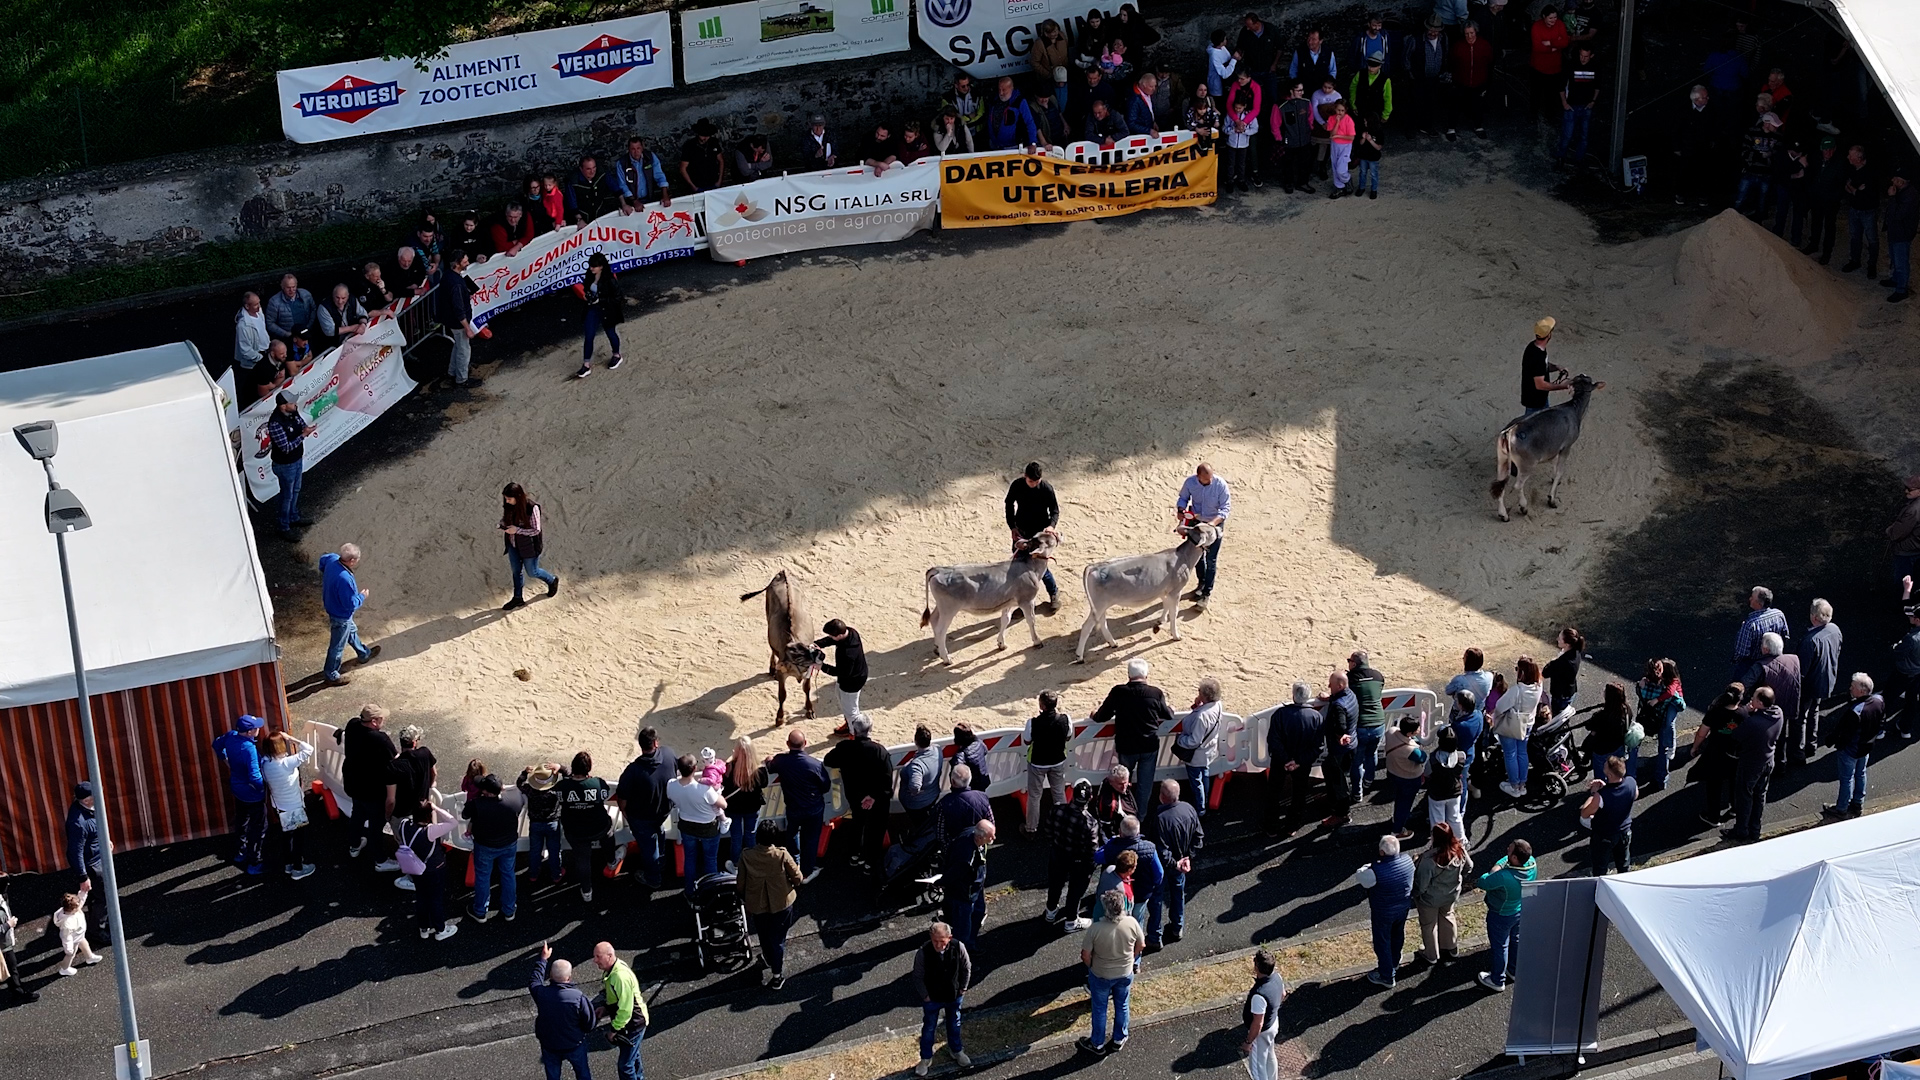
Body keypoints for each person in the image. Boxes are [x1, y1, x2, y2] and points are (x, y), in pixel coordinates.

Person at [1078, 889, 1145, 1056]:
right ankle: (1119, 1038)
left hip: (1101, 974)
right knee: (1122, 1004)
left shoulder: (1096, 929)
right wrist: (1132, 958)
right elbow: (1141, 945)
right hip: (1124, 972)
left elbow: (1085, 954)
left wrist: (1091, 966)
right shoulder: (1131, 923)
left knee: (1100, 1009)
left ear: (1105, 908)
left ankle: (1097, 1043)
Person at [822, 714, 892, 872]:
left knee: (857, 824)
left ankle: (854, 855)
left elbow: (828, 760)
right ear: (870, 730)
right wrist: (873, 797)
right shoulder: (880, 751)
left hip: (855, 797)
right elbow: (887, 781)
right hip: (876, 800)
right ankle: (869, 862)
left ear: (853, 730)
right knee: (875, 829)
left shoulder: (845, 748)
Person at [737, 819, 802, 989]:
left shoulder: (747, 855)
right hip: (781, 902)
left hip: (757, 903)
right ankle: (777, 975)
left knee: (763, 934)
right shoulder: (781, 854)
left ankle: (767, 957)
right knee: (778, 939)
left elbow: (741, 883)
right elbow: (798, 878)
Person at [1093, 658, 1173, 794]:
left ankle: (1124, 811)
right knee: (1145, 786)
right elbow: (1168, 715)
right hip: (1149, 746)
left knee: (1122, 783)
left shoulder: (1118, 692)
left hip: (1126, 746)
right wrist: (1170, 709)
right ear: (1146, 675)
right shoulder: (1155, 693)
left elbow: (1102, 716)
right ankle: (1141, 815)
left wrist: (1094, 715)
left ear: (1129, 675)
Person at [335, 704, 397, 873]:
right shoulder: (380, 739)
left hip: (353, 784)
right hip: (372, 790)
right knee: (376, 826)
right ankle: (380, 860)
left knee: (357, 815)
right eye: (381, 718)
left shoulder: (353, 724)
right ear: (375, 722)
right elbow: (395, 759)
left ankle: (354, 845)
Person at [614, 727, 676, 893]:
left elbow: (622, 798)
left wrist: (625, 811)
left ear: (640, 745)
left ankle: (653, 878)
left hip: (642, 818)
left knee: (649, 848)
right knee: (659, 830)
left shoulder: (632, 771)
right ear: (656, 743)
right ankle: (661, 860)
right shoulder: (669, 754)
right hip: (663, 811)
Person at [768, 729, 831, 882]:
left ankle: (794, 866)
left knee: (792, 836)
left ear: (788, 744)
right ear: (805, 744)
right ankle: (807, 871)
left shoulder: (781, 761)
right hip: (813, 807)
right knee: (811, 839)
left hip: (794, 808)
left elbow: (770, 766)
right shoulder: (815, 764)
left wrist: (769, 759)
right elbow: (826, 787)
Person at [1145, 780, 1201, 948]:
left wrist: (1174, 863)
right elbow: (1198, 838)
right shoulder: (1189, 809)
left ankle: (1155, 936)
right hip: (1181, 863)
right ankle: (1177, 927)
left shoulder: (1160, 819)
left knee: (1156, 899)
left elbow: (1161, 849)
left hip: (1162, 867)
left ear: (1161, 796)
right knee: (1178, 894)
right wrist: (1188, 857)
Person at [1474, 839, 1536, 991]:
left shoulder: (1504, 876)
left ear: (1515, 858)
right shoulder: (1531, 863)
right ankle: (1513, 970)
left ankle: (1497, 980)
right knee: (1515, 939)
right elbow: (1506, 860)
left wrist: (1495, 868)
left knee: (1500, 946)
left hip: (1500, 914)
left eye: (1510, 849)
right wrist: (1504, 862)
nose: (1507, 848)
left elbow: (1482, 882)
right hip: (1519, 909)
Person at [912, 922, 973, 1075]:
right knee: (928, 1029)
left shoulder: (958, 947)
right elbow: (917, 976)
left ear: (949, 937)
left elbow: (966, 968)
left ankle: (956, 1050)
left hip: (953, 996)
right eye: (935, 941)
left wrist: (963, 988)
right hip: (932, 998)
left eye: (942, 941)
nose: (938, 945)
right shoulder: (923, 952)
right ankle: (926, 1058)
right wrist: (925, 996)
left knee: (954, 1025)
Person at [1725, 686, 1783, 843]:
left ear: (1760, 702)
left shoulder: (1753, 722)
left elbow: (1735, 735)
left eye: (1754, 697)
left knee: (1744, 796)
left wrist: (1746, 711)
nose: (1751, 698)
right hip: (1768, 760)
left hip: (1751, 764)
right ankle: (1755, 829)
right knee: (1760, 795)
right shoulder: (1778, 712)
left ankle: (1741, 829)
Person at [1822, 673, 1884, 819]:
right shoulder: (1879, 700)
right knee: (1861, 773)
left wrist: (1836, 744)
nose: (1850, 688)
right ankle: (1858, 804)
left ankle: (1841, 808)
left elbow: (1844, 734)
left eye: (1853, 686)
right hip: (1866, 747)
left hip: (1851, 750)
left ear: (1862, 691)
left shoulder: (1855, 711)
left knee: (1846, 778)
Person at [1356, 833, 1414, 988]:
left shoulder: (1375, 871)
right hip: (1403, 907)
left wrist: (1369, 865)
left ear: (1382, 852)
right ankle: (1394, 961)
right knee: (1398, 934)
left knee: (1382, 942)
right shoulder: (1408, 861)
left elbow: (1360, 877)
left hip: (1383, 912)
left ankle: (1386, 975)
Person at [211, 714, 267, 875]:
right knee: (259, 828)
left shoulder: (231, 736)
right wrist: (262, 790)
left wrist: (225, 759)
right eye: (256, 727)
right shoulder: (249, 749)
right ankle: (254, 862)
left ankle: (240, 853)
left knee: (242, 820)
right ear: (249, 732)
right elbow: (255, 776)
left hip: (237, 789)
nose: (258, 729)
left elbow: (216, 744)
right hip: (252, 795)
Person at [531, 943, 596, 1080]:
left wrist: (543, 959)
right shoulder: (578, 997)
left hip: (550, 1045)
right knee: (583, 1074)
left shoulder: (542, 994)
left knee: (553, 1076)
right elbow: (589, 1022)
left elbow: (535, 980)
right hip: (574, 1044)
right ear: (569, 977)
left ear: (550, 975)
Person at [557, 752, 615, 902]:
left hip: (576, 832)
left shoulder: (563, 787)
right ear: (589, 768)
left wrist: (562, 770)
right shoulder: (598, 783)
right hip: (599, 827)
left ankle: (587, 890)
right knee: (608, 833)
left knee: (583, 860)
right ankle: (611, 860)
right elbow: (605, 794)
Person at [1266, 681, 1324, 833]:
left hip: (1281, 761)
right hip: (1302, 763)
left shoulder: (1281, 714)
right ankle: (1292, 825)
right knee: (1299, 793)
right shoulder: (1316, 717)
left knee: (1274, 792)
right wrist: (1298, 761)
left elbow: (1273, 740)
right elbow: (1318, 746)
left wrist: (1286, 760)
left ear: (1293, 696)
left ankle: (1271, 826)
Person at [1412, 822, 1470, 968]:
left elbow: (1421, 885)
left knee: (1429, 925)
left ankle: (1431, 955)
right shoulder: (1459, 850)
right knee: (1448, 916)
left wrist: (1416, 896)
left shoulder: (1428, 860)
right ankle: (1451, 947)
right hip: (1451, 894)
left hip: (1430, 899)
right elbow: (1470, 866)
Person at [463, 774, 520, 922]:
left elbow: (465, 814)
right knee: (508, 874)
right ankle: (509, 910)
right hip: (509, 844)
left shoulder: (477, 804)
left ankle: (480, 911)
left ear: (486, 792)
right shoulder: (514, 799)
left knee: (483, 876)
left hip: (485, 846)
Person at [1004, 462, 1061, 610]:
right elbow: (1009, 505)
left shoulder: (1046, 488)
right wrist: (1012, 526)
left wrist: (1051, 526)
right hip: (1021, 531)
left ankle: (1054, 593)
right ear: (1025, 477)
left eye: (1037, 481)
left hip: (1039, 536)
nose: (1034, 484)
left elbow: (1054, 510)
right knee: (1019, 567)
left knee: (1041, 568)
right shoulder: (1017, 485)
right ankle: (1025, 602)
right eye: (1031, 481)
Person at [496, 482, 562, 610]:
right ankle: (518, 598)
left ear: (518, 496)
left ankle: (552, 580)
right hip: (513, 544)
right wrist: (503, 524)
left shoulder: (532, 508)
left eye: (509, 498)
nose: (507, 501)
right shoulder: (509, 505)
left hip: (529, 547)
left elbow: (536, 530)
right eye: (506, 498)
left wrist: (517, 530)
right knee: (516, 571)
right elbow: (506, 518)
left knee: (533, 571)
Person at [1045, 779, 1100, 931]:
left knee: (1055, 884)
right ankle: (1071, 921)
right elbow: (1092, 849)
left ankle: (1050, 911)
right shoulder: (1090, 822)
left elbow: (1048, 831)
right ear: (1090, 798)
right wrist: (1091, 866)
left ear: (1073, 795)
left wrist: (1055, 845)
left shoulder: (1057, 809)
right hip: (1078, 861)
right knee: (1075, 891)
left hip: (1058, 853)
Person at [1174, 462, 1232, 606]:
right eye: (1207, 478)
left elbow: (1225, 509)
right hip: (1196, 522)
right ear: (1198, 476)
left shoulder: (1220, 485)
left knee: (1211, 559)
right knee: (1197, 557)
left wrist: (1211, 524)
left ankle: (1206, 594)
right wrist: (1181, 510)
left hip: (1213, 524)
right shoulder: (1190, 482)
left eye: (1211, 477)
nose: (1210, 480)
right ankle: (1201, 584)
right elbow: (1183, 498)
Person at [319, 545, 377, 686]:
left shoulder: (332, 559)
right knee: (337, 647)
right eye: (356, 559)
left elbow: (322, 561)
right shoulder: (345, 579)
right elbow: (350, 604)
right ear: (351, 560)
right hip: (341, 616)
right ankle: (331, 675)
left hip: (336, 609)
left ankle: (364, 653)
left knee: (351, 631)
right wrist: (362, 596)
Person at [589, 942, 647, 1080]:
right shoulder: (614, 969)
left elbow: (626, 1010)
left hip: (633, 1024)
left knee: (625, 1066)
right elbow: (617, 999)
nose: (595, 960)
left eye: (598, 956)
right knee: (633, 1056)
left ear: (609, 956)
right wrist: (606, 1009)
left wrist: (613, 1030)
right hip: (632, 1022)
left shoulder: (620, 977)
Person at [1745, 633, 1803, 767]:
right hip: (1789, 703)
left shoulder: (1760, 666)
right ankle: (1790, 759)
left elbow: (1745, 684)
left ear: (1766, 649)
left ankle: (1776, 765)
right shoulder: (1794, 659)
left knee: (1772, 739)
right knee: (1786, 733)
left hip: (1768, 709)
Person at [265, 392, 316, 541]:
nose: (295, 405)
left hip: (297, 459)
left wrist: (305, 430)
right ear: (283, 406)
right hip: (285, 465)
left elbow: (302, 425)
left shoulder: (293, 413)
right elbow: (286, 448)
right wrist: (303, 435)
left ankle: (293, 517)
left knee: (296, 490)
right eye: (292, 403)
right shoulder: (275, 423)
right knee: (287, 496)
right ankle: (283, 526)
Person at [1494, 656, 1544, 797]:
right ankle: (1522, 783)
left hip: (1512, 724)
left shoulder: (1517, 690)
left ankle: (1514, 785)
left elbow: (1499, 706)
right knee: (1522, 752)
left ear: (1521, 673)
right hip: (1528, 723)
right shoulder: (1539, 685)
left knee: (1510, 754)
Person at [1173, 680, 1223, 815]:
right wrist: (1197, 706)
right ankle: (1205, 800)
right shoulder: (1217, 705)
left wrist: (1180, 739)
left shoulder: (1201, 716)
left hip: (1197, 754)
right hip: (1209, 750)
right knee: (1204, 774)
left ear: (1205, 696)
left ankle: (1200, 809)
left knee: (1196, 781)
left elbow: (1194, 741)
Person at [1025, 691, 1073, 834]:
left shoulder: (1033, 722)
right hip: (1058, 761)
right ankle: (1063, 826)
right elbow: (1068, 737)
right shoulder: (1066, 719)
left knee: (1034, 796)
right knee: (1059, 793)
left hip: (1037, 763)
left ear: (1041, 705)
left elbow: (1027, 741)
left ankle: (1031, 829)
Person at [942, 819, 993, 950]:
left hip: (977, 888)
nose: (994, 838)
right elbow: (954, 874)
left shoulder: (971, 834)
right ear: (980, 837)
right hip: (965, 895)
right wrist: (940, 882)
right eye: (990, 836)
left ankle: (971, 942)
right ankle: (961, 955)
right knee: (963, 929)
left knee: (978, 913)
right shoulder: (966, 856)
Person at [435, 249, 483, 390]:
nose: (467, 263)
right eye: (465, 261)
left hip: (451, 319)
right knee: (463, 349)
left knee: (458, 346)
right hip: (458, 322)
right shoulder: (456, 283)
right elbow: (458, 309)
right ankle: (462, 379)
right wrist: (467, 328)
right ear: (457, 264)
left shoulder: (448, 276)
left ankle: (452, 372)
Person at [1798, 599, 1843, 751]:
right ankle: (1812, 744)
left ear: (1814, 617)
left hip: (1810, 684)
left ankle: (1799, 750)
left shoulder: (1809, 641)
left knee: (1801, 716)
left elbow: (1802, 671)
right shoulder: (1835, 629)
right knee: (1814, 710)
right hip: (1826, 679)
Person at [570, 252, 623, 379]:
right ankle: (586, 364)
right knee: (589, 336)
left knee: (610, 333)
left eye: (594, 266)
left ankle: (616, 354)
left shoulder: (610, 280)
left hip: (606, 310)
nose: (591, 268)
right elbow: (587, 288)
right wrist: (589, 296)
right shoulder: (590, 275)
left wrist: (601, 300)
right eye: (591, 266)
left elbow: (618, 298)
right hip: (593, 308)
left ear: (601, 266)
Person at [63, 782, 105, 941]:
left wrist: (104, 840)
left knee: (100, 898)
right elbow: (74, 851)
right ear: (86, 800)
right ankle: (98, 931)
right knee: (101, 898)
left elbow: (94, 830)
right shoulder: (78, 823)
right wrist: (83, 877)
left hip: (97, 858)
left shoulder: (88, 809)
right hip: (93, 865)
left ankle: (99, 925)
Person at [1636, 659, 1686, 789]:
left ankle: (1630, 775)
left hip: (1647, 720)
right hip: (1661, 719)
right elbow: (1680, 704)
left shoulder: (1644, 686)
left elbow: (1639, 691)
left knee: (1634, 745)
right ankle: (1661, 779)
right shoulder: (1669, 689)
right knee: (1663, 747)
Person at [1582, 756, 1636, 875]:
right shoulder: (1631, 782)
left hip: (1605, 835)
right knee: (1624, 865)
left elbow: (1585, 812)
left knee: (1600, 868)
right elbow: (1635, 795)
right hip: (1624, 830)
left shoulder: (1601, 796)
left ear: (1610, 775)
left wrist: (1593, 793)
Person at [720, 739, 768, 870]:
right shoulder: (760, 771)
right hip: (752, 808)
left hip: (733, 809)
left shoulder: (729, 768)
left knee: (736, 837)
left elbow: (724, 784)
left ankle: (736, 864)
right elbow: (764, 784)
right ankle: (752, 862)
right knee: (750, 835)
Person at [1347, 650, 1388, 796]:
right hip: (1378, 724)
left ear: (1354, 663)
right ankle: (1369, 780)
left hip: (1361, 725)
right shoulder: (1378, 676)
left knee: (1357, 760)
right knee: (1372, 753)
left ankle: (1357, 792)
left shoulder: (1350, 678)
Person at [1321, 671, 1359, 826]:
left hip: (1341, 750)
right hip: (1350, 746)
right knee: (1329, 770)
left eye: (1332, 684)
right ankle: (1332, 798)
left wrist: (1339, 735)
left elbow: (1341, 726)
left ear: (1341, 685)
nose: (1329, 686)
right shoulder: (1350, 695)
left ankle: (1342, 814)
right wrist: (1330, 698)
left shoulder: (1338, 705)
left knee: (1339, 783)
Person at [518, 763, 565, 884]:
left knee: (534, 850)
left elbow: (520, 784)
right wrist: (560, 768)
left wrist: (524, 773)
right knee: (554, 850)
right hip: (553, 823)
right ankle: (556, 874)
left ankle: (533, 874)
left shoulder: (530, 790)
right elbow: (569, 777)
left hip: (535, 824)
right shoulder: (556, 789)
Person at [817, 619, 868, 728]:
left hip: (852, 682)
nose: (830, 637)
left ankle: (854, 733)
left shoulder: (849, 653)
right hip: (850, 677)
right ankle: (849, 724)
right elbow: (832, 640)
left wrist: (822, 667)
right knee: (843, 700)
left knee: (852, 711)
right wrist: (817, 644)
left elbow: (842, 672)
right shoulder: (850, 631)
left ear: (839, 635)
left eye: (832, 635)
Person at [1672, 86, 1718, 207]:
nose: (1707, 99)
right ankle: (1681, 194)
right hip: (1687, 148)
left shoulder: (1711, 110)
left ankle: (1702, 196)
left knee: (1703, 173)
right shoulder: (1683, 110)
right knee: (1684, 172)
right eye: (1704, 97)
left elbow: (1715, 126)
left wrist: (1713, 140)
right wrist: (1676, 147)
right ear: (1696, 99)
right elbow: (1676, 129)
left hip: (1703, 148)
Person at [1383, 716, 1427, 839]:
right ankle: (1397, 831)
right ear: (1409, 733)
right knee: (1405, 804)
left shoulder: (1391, 732)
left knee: (1399, 798)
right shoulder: (1411, 750)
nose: (1419, 730)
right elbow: (1422, 758)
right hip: (1409, 779)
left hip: (1392, 773)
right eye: (1417, 729)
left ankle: (1397, 818)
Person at [1449, 20, 1493, 139]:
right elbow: (1452, 63)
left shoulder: (1484, 45)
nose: (1469, 36)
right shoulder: (1458, 46)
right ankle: (1451, 128)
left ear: (1476, 32)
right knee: (1455, 105)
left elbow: (1489, 64)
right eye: (1466, 33)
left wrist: (1486, 83)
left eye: (1471, 33)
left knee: (1477, 105)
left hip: (1479, 82)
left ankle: (1478, 126)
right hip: (1460, 82)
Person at [898, 725, 942, 839]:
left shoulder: (916, 765)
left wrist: (913, 792)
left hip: (916, 804)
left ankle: (922, 838)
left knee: (920, 824)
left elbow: (915, 786)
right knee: (926, 819)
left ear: (916, 741)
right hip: (933, 795)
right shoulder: (937, 749)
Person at [1733, 586, 1789, 675]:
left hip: (1753, 665)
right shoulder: (1779, 615)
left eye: (1752, 597)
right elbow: (1785, 636)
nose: (1750, 598)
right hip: (1774, 661)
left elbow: (1741, 653)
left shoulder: (1750, 624)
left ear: (1759, 604)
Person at [1521, 316, 1571, 416]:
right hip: (1535, 402)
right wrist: (1563, 386)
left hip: (1539, 398)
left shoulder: (1533, 347)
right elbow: (1540, 385)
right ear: (1549, 335)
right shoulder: (1537, 356)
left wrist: (1556, 367)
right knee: (1532, 428)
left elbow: (1541, 367)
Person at [1840, 144, 1877, 277]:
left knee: (1871, 239)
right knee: (1855, 237)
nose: (1848, 158)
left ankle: (1872, 265)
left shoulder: (1870, 172)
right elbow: (1848, 188)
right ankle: (1854, 261)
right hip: (1854, 209)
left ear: (1859, 158)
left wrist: (1853, 189)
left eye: (1851, 156)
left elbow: (1865, 194)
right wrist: (1855, 190)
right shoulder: (1852, 170)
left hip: (1868, 211)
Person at [1558, 46, 1598, 164]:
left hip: (1586, 107)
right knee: (1567, 135)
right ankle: (1561, 157)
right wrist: (1564, 102)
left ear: (1591, 56)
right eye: (1581, 56)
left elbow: (1597, 86)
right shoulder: (1571, 65)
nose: (1583, 59)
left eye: (1586, 56)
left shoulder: (1595, 67)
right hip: (1572, 106)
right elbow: (1561, 85)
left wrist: (1593, 102)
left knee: (1584, 136)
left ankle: (1579, 160)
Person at [1273, 80, 1315, 194]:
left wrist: (1310, 129)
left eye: (1302, 90)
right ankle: (1288, 183)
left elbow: (1310, 117)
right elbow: (1275, 124)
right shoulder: (1280, 105)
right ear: (1291, 91)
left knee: (1305, 162)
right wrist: (1279, 138)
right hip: (1289, 140)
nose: (1302, 92)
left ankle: (1303, 183)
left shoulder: (1306, 102)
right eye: (1299, 90)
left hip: (1304, 139)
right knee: (1288, 164)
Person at [1527, 7, 1571, 117]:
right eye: (1550, 18)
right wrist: (1555, 46)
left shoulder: (1560, 24)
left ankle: (1550, 115)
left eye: (1555, 17)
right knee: (1536, 93)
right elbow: (1537, 47)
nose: (1553, 20)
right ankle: (1533, 114)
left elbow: (1565, 42)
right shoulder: (1536, 26)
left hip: (1555, 67)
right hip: (1538, 67)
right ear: (1544, 17)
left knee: (1551, 94)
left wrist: (1549, 43)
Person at [0, 873, 36, 1002]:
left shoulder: (3, 897)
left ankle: (17, 991)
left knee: (11, 967)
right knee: (12, 967)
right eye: (5, 884)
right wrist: (8, 925)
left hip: (5, 941)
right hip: (2, 945)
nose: (8, 886)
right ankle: (18, 993)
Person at [613, 137, 672, 214]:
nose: (636, 152)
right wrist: (634, 201)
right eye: (633, 149)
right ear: (628, 149)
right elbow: (622, 185)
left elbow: (660, 176)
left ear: (642, 147)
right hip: (631, 203)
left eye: (638, 148)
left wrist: (665, 194)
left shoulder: (650, 157)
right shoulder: (622, 163)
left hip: (650, 198)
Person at [52, 886, 101, 977]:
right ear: (72, 909)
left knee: (84, 943)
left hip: (79, 934)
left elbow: (81, 900)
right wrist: (68, 949)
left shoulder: (72, 910)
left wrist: (84, 892)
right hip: (74, 939)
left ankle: (89, 957)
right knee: (71, 955)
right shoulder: (67, 924)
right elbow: (66, 937)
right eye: (77, 906)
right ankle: (64, 968)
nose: (80, 906)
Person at [1883, 167, 1916, 303]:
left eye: (1896, 179)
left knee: (1901, 261)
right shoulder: (1902, 191)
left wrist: (1892, 198)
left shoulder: (1910, 196)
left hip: (1902, 233)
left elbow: (1898, 214)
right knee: (1895, 258)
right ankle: (1896, 279)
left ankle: (1901, 290)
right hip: (1895, 231)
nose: (1892, 181)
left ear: (1902, 182)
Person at [1583, 681, 1631, 764]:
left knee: (1600, 773)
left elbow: (1589, 726)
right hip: (1618, 747)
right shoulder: (1627, 710)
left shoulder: (1602, 716)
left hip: (1602, 750)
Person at [986, 76, 1040, 149]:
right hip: (995, 145)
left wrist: (1032, 143)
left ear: (1011, 88)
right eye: (999, 90)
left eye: (1004, 90)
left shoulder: (1020, 102)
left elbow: (1029, 122)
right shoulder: (994, 100)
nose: (1001, 93)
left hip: (1013, 146)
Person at [564, 154, 618, 224]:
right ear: (581, 169)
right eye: (588, 169)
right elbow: (572, 203)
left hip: (601, 213)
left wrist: (624, 204)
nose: (592, 171)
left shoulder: (602, 173)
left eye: (594, 167)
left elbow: (615, 187)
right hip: (583, 217)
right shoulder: (573, 181)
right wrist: (579, 219)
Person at [1222, 90, 1258, 193]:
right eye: (1236, 107)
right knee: (1230, 164)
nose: (1237, 110)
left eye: (1240, 108)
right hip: (1231, 143)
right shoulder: (1230, 116)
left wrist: (1245, 131)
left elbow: (1255, 129)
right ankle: (1230, 181)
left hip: (1244, 144)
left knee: (1241, 164)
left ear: (1245, 106)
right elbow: (1224, 128)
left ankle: (1241, 180)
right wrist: (1233, 130)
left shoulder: (1249, 116)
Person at [264, 273, 317, 343]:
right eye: (288, 287)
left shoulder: (306, 295)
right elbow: (270, 323)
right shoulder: (274, 302)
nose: (291, 290)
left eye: (293, 287)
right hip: (287, 339)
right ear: (282, 287)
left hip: (306, 334)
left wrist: (309, 326)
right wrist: (286, 334)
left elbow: (313, 309)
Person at [1888, 477, 1920, 591]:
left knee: (1903, 583)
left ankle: (1902, 603)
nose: (1906, 491)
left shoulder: (1913, 510)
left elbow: (1897, 534)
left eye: (1909, 489)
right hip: (1916, 550)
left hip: (1907, 552)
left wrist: (1890, 530)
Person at [1091, 764, 1138, 841]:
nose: (1124, 787)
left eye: (1125, 782)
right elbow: (1106, 829)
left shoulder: (1109, 782)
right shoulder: (1108, 805)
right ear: (1111, 782)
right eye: (1120, 784)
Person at [680, 119, 727, 193]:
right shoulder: (689, 146)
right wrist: (693, 186)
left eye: (707, 135)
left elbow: (721, 160)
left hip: (713, 182)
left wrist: (719, 180)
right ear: (698, 134)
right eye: (703, 135)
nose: (705, 138)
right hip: (697, 184)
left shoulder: (713, 142)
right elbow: (683, 168)